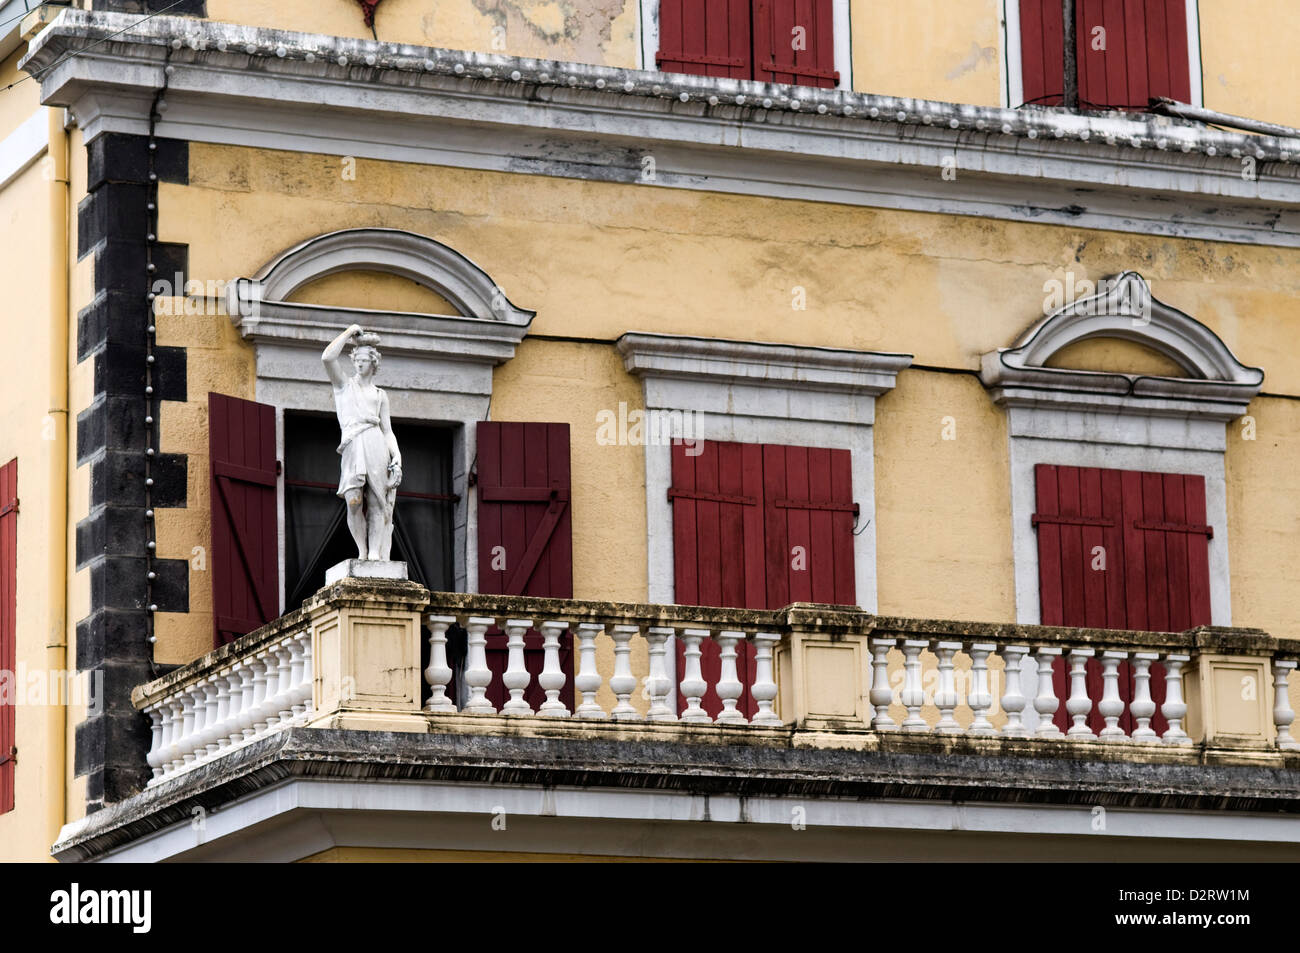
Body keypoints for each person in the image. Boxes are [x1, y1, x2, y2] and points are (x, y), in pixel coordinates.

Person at [321, 324, 403, 560]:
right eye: (356, 359)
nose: (359, 363)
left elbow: (387, 431)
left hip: (376, 443)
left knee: (377, 501)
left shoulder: (380, 395)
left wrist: (397, 457)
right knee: (354, 500)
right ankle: (362, 551)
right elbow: (327, 357)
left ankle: (375, 553)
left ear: (373, 363)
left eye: (365, 360)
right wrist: (349, 333)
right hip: (353, 444)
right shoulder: (344, 386)